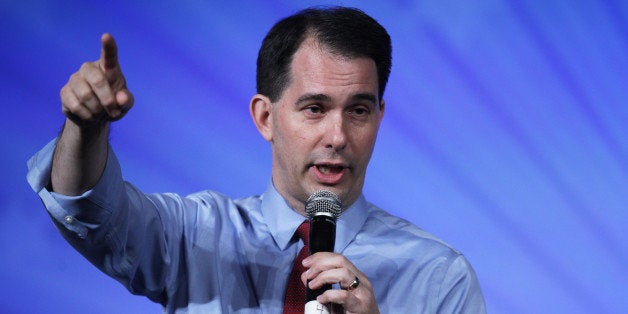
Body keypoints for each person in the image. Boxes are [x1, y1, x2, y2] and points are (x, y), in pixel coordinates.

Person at [27, 6, 485, 313]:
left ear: (380, 118)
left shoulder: (439, 277)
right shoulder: (194, 236)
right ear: (266, 117)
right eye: (315, 108)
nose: (339, 136)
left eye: (359, 111)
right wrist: (85, 129)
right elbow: (86, 210)